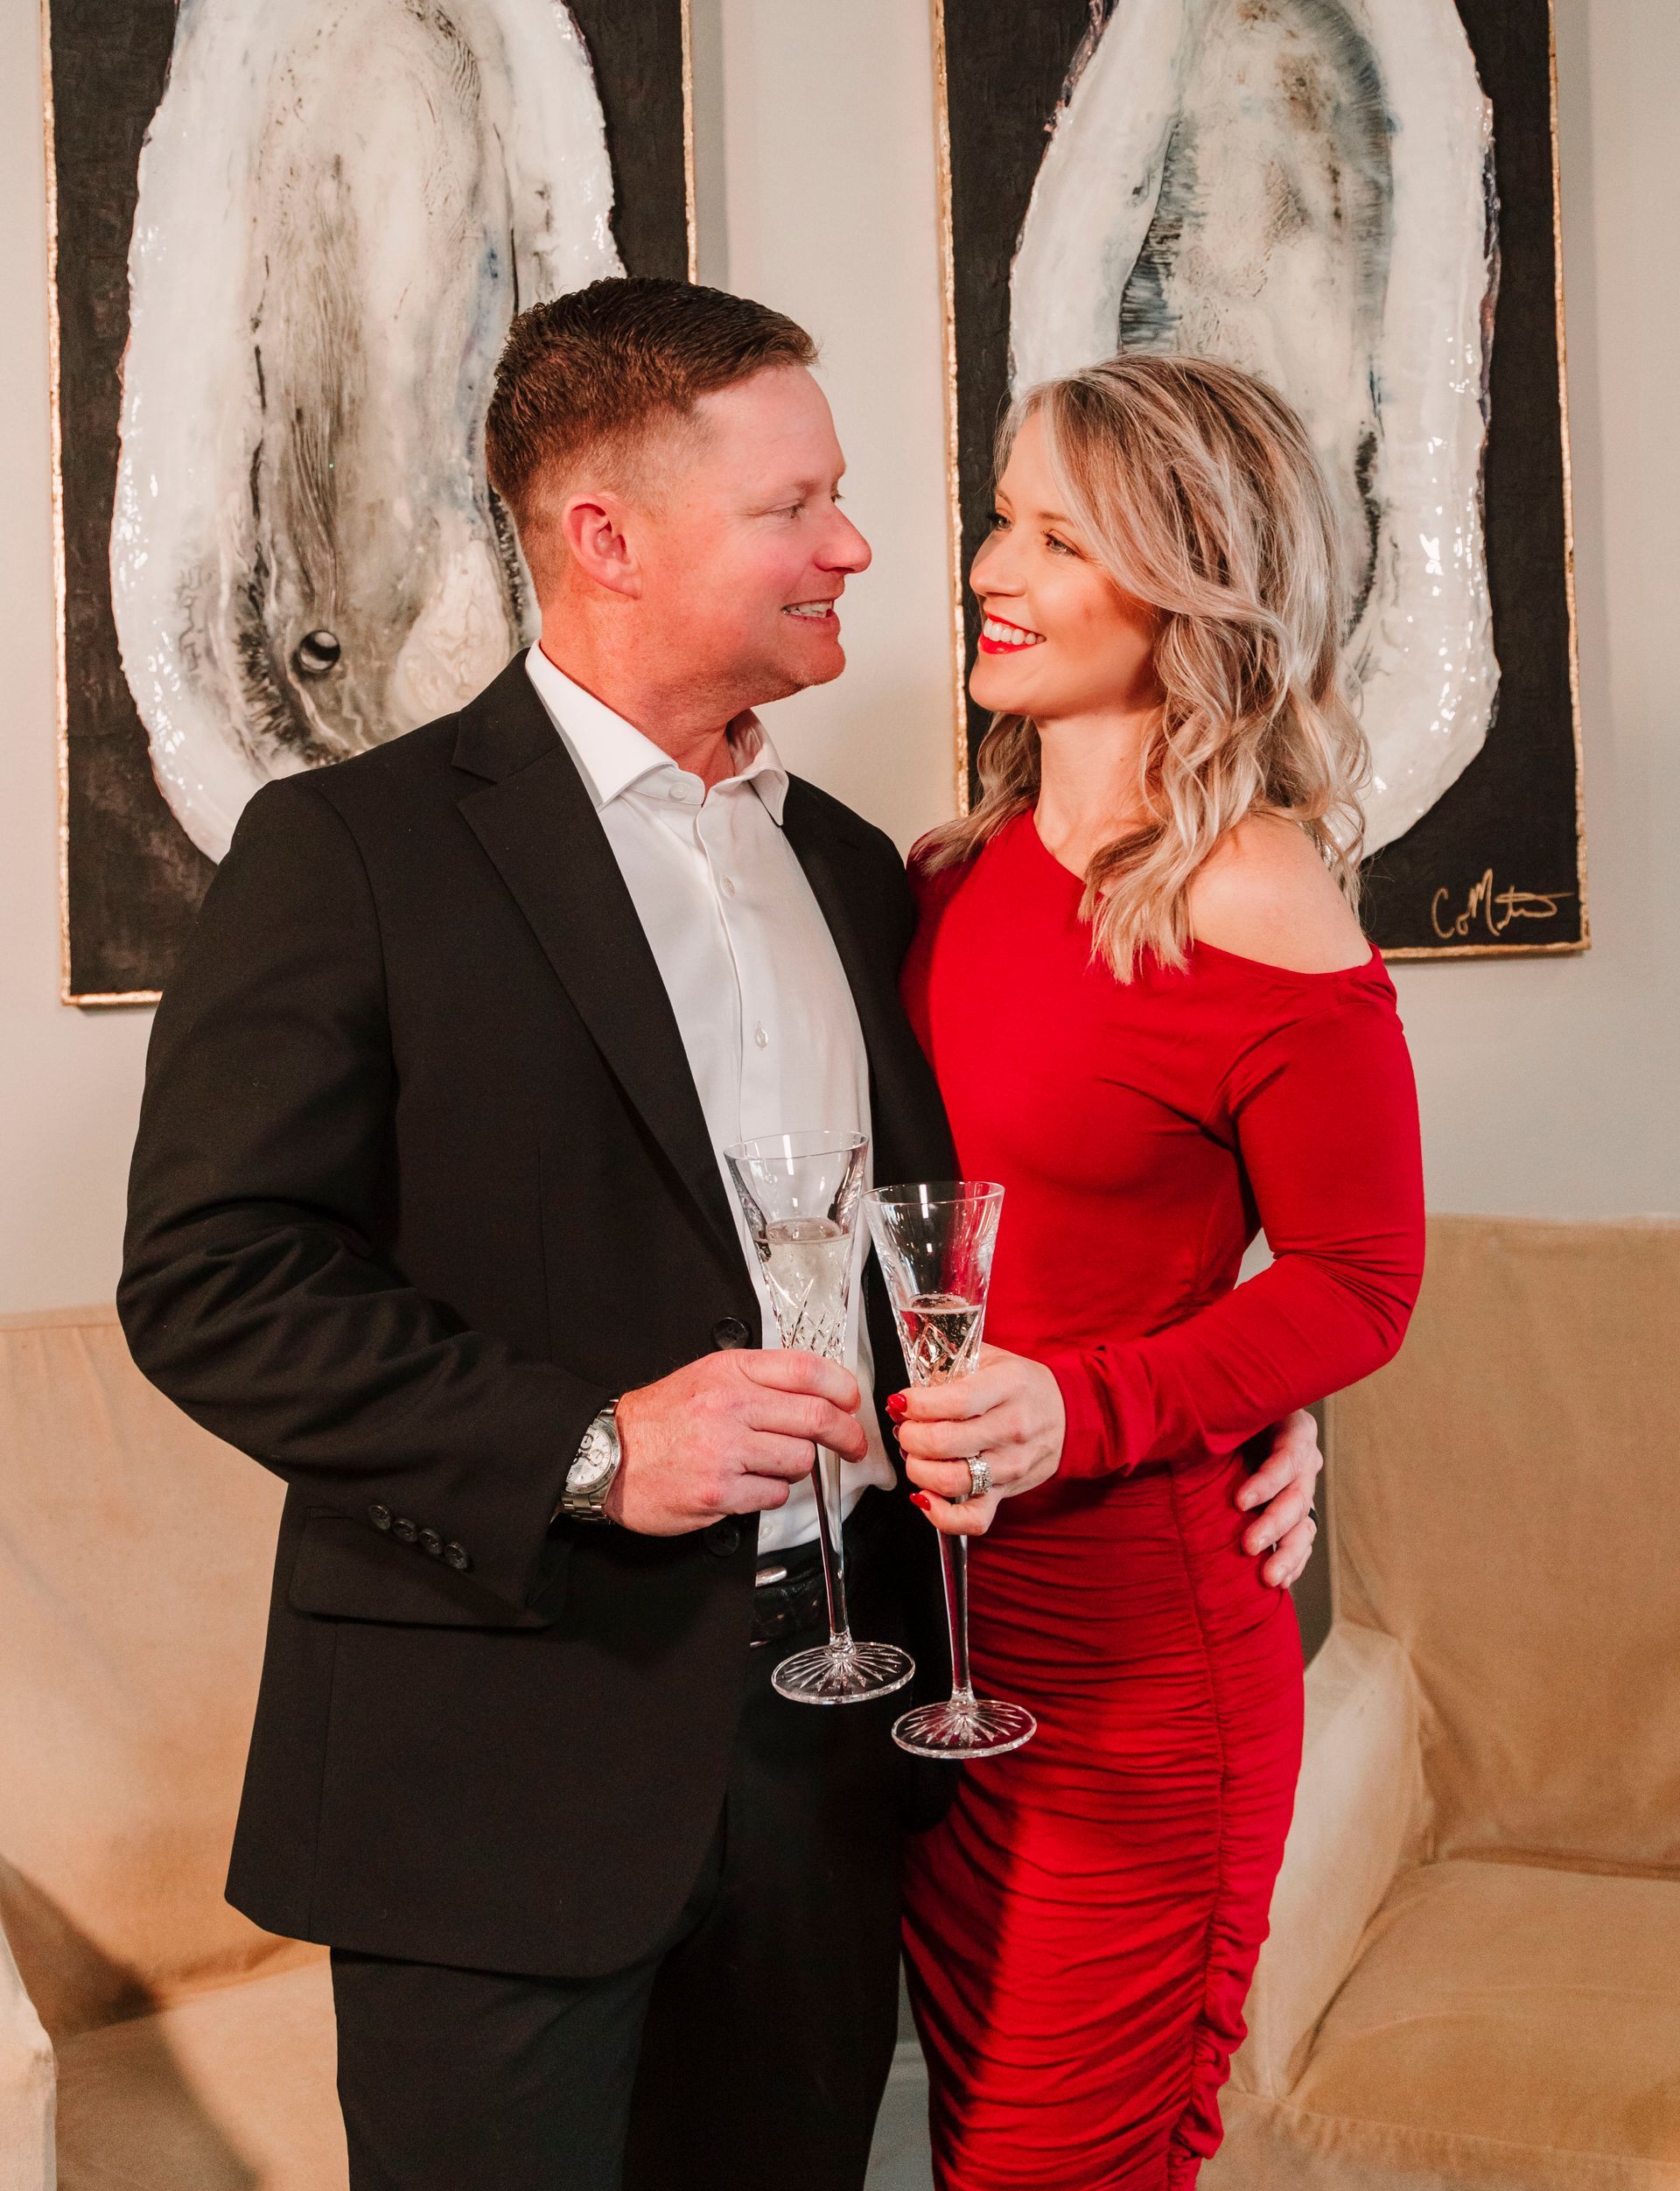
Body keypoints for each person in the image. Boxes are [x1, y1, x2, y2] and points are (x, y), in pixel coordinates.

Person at [118, 280, 1322, 2191]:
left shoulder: (866, 873)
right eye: (795, 507)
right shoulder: (352, 854)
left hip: (830, 1750)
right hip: (495, 1766)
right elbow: (210, 1279)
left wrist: (1241, 1395)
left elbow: (1016, 1214)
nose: (856, 545)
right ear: (606, 536)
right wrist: (600, 1446)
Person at [891, 354, 1427, 2191]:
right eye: (999, 516)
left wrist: (1106, 1403)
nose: (988, 562)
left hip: (1139, 1684)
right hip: (943, 1661)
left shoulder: (1257, 886)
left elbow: (1361, 1279)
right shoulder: (948, 873)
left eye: (1056, 534)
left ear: (1189, 579)